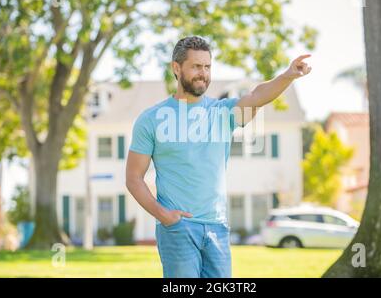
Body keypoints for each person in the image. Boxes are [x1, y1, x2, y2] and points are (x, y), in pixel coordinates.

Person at [125, 35, 311, 278]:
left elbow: (256, 97)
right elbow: (133, 178)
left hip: (217, 228)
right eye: (196, 66)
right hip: (177, 228)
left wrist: (287, 75)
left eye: (207, 67)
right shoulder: (151, 119)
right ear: (176, 68)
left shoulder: (222, 112)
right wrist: (164, 216)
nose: (203, 73)